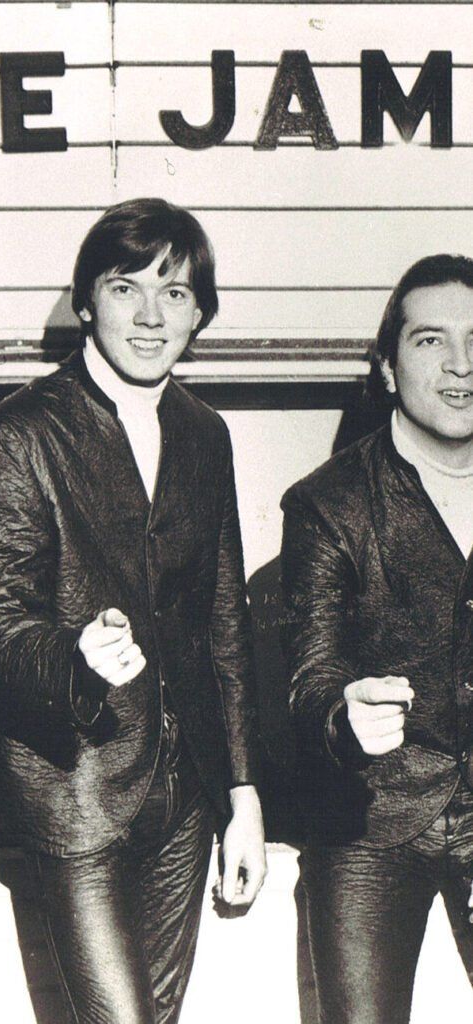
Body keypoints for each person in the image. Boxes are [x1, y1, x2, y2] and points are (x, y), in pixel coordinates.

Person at [0, 197, 266, 1024]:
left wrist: (243, 793)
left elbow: (225, 624)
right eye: (127, 287)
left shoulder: (205, 433)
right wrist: (73, 656)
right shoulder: (17, 435)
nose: (152, 315)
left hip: (187, 792)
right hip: (74, 787)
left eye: (176, 292)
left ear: (201, 313)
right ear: (86, 301)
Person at [281, 253, 473, 1024]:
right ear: (388, 368)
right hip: (369, 818)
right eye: (431, 341)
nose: (462, 364)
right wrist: (342, 715)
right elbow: (310, 674)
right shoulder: (328, 504)